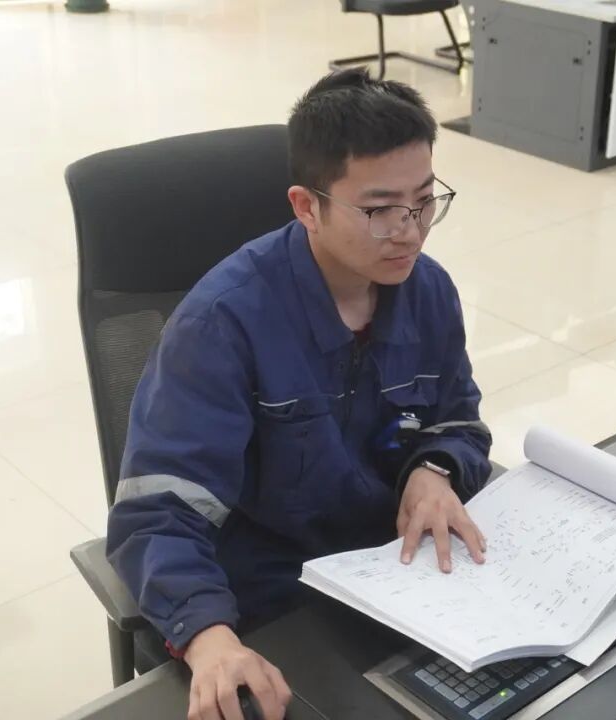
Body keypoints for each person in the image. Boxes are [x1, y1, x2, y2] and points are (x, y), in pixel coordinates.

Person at [106, 68, 493, 720]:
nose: (410, 230)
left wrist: (434, 469)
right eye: (379, 210)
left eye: (425, 200)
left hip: (397, 570)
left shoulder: (427, 291)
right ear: (307, 206)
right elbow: (158, 511)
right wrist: (209, 638)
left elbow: (458, 420)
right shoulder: (222, 323)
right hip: (272, 598)